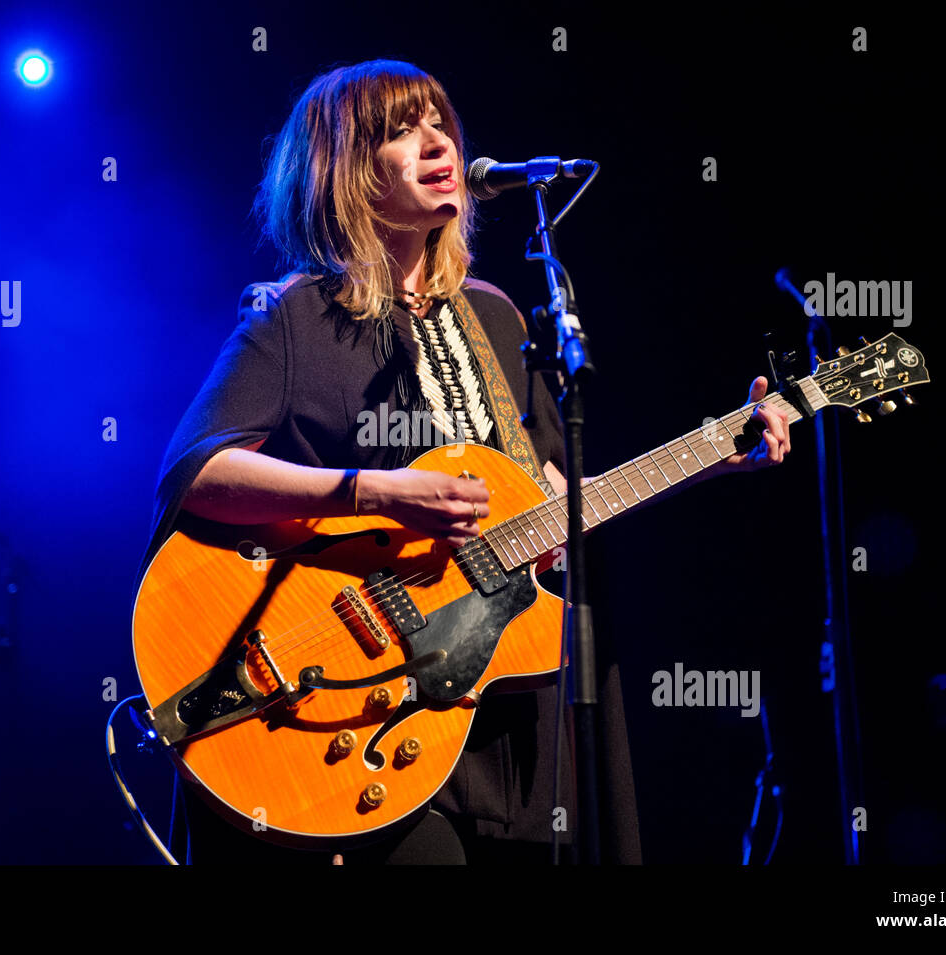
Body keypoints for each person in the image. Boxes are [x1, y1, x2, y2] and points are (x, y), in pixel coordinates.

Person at [136, 59, 790, 865]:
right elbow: (195, 474)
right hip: (358, 707)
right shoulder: (297, 317)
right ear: (342, 170)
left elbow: (552, 504)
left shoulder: (497, 317)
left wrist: (719, 453)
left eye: (440, 122)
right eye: (400, 130)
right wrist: (375, 491)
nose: (437, 140)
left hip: (503, 712)